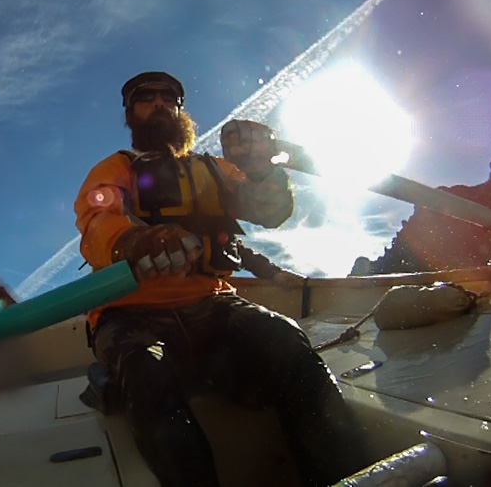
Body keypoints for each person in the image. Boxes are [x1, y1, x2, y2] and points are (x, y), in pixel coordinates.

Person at [73, 71, 364, 486]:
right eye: (146, 98)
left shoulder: (215, 170)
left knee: (285, 339)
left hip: (212, 302)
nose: (159, 104)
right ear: (130, 114)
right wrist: (137, 240)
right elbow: (98, 223)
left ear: (179, 110)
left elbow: (271, 211)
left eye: (168, 98)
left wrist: (262, 170)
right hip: (129, 313)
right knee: (145, 371)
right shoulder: (115, 169)